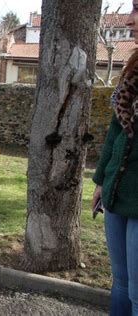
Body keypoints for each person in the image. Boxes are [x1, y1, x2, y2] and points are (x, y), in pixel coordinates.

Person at [92, 2, 138, 314]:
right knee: (120, 282)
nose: (131, 19)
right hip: (117, 191)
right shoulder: (133, 64)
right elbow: (115, 130)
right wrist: (100, 181)